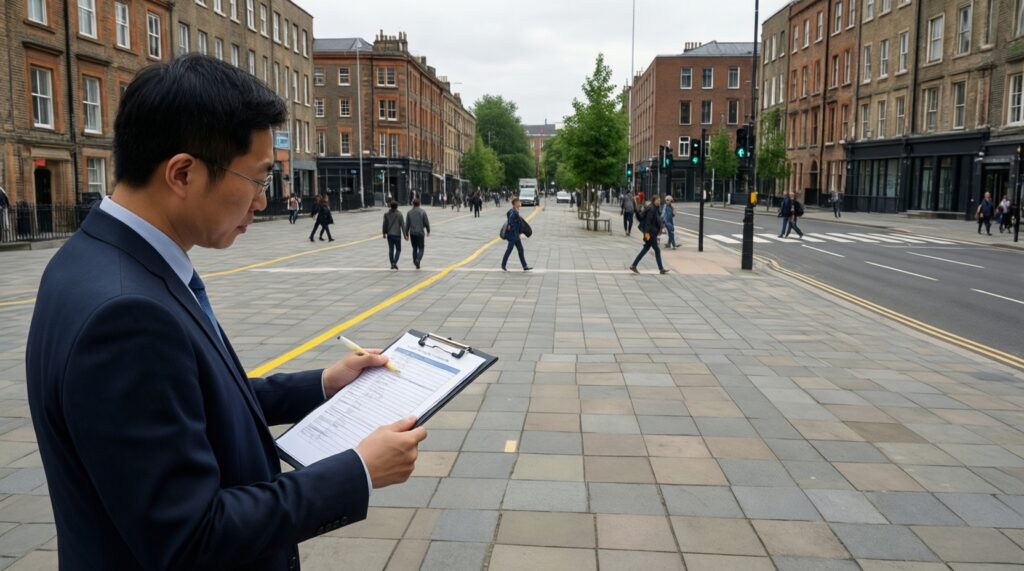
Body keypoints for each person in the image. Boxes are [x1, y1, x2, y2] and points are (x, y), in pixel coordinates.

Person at [24, 54, 427, 571]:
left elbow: (182, 400)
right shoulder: (126, 317)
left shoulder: (92, 258)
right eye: (258, 178)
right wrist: (358, 471)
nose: (263, 201)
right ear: (183, 173)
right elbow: (191, 536)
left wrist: (322, 384)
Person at [630, 195, 669, 274]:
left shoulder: (654, 208)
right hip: (650, 233)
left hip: (651, 232)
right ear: (654, 200)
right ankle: (661, 269)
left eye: (659, 200)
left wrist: (661, 227)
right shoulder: (652, 209)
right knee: (657, 250)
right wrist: (647, 233)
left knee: (645, 249)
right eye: (658, 200)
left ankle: (634, 265)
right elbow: (648, 221)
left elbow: (657, 220)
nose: (659, 201)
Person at [501, 197, 532, 272]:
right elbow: (511, 222)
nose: (520, 203)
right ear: (515, 203)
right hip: (512, 235)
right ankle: (503, 265)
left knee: (520, 249)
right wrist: (514, 230)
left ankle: (525, 266)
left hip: (515, 235)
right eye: (518, 202)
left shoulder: (514, 211)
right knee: (509, 249)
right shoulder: (513, 212)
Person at [406, 198, 430, 269]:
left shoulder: (409, 212)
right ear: (419, 204)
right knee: (421, 248)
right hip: (420, 233)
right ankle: (418, 260)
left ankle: (415, 262)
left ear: (413, 204)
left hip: (412, 233)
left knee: (414, 248)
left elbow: (407, 224)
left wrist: (406, 234)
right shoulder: (422, 212)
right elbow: (426, 222)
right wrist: (428, 230)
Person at [383, 200, 406, 269]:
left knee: (391, 249)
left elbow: (384, 225)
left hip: (389, 235)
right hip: (397, 235)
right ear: (397, 206)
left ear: (390, 206)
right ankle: (394, 262)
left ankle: (392, 263)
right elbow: (403, 225)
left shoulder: (386, 214)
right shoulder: (399, 214)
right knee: (398, 249)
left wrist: (384, 233)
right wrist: (405, 235)